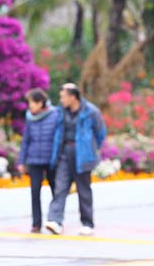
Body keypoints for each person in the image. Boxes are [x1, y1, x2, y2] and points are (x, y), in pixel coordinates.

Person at [45, 83, 106, 236]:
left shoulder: (91, 111)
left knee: (83, 189)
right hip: (64, 151)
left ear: (73, 97)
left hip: (82, 154)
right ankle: (55, 221)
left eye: (64, 97)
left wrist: (90, 148)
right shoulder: (60, 112)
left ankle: (87, 223)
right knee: (60, 187)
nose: (62, 100)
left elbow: (100, 132)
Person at [17, 88, 58, 233]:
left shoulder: (55, 115)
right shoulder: (29, 118)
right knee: (35, 192)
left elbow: (58, 138)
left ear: (41, 102)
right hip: (34, 160)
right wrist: (21, 161)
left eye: (33, 103)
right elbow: (26, 141)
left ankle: (56, 220)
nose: (30, 106)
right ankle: (36, 223)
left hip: (51, 160)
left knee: (56, 190)